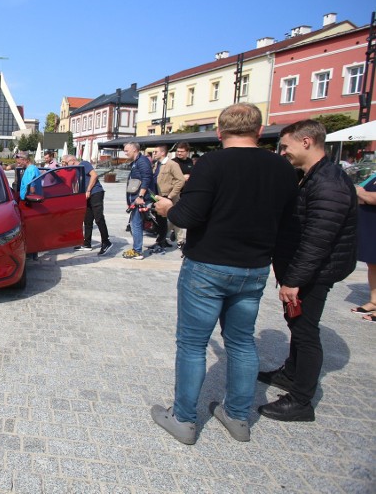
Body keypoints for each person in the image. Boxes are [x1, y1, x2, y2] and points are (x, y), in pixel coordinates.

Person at [150, 103, 298, 444]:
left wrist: (168, 207)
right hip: (255, 267)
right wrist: (287, 274)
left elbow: (189, 215)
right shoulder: (281, 167)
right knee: (243, 342)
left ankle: (184, 420)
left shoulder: (213, 163)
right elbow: (290, 226)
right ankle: (237, 416)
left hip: (208, 266)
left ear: (220, 133)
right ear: (260, 132)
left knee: (192, 345)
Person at [257, 120, 357, 422]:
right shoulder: (314, 176)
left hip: (313, 275)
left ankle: (301, 400)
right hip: (304, 272)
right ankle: (292, 373)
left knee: (304, 332)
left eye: (286, 146)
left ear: (307, 142)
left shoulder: (328, 182)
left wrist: (294, 280)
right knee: (296, 324)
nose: (283, 152)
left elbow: (317, 240)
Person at [65, 154, 111, 255]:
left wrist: (88, 190)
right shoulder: (76, 170)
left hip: (95, 192)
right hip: (87, 195)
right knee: (87, 219)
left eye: (66, 163)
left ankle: (106, 242)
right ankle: (87, 243)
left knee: (98, 218)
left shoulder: (84, 164)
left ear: (72, 161)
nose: (66, 165)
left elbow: (94, 175)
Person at [122, 142, 153, 260]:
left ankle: (137, 250)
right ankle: (137, 248)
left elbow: (147, 178)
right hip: (134, 199)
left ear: (135, 150)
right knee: (134, 225)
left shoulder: (142, 161)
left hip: (140, 199)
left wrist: (140, 196)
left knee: (136, 225)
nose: (125, 153)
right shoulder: (136, 162)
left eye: (127, 151)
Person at [150, 144, 185, 250]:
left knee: (173, 218)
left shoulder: (172, 164)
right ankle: (162, 240)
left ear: (163, 153)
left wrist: (171, 196)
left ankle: (179, 241)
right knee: (160, 220)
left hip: (168, 197)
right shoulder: (157, 164)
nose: (154, 154)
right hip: (158, 196)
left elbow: (180, 180)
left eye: (156, 152)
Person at [353, 172, 376, 317]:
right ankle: (374, 301)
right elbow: (357, 194)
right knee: (372, 264)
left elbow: (369, 197)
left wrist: (364, 195)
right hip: (371, 226)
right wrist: (364, 195)